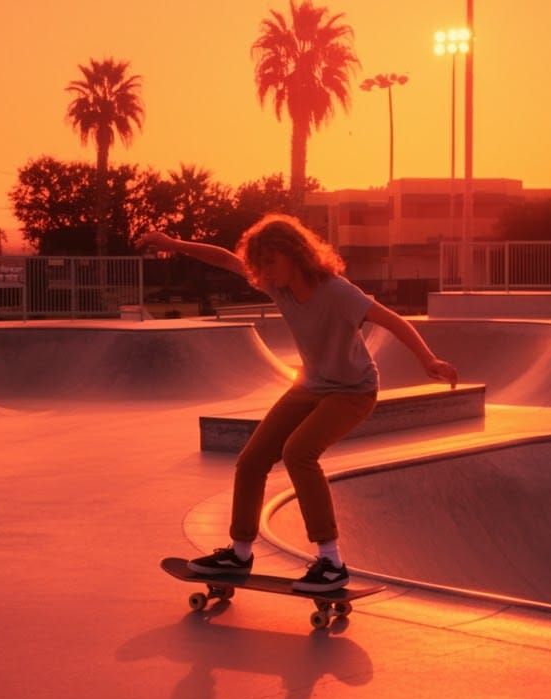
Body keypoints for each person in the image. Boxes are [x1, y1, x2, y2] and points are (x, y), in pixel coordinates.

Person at [138, 214, 457, 593]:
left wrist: (428, 360)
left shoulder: (338, 292)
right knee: (253, 458)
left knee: (299, 453)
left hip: (353, 391)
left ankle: (332, 562)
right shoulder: (280, 287)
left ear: (294, 255)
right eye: (261, 266)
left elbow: (392, 320)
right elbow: (226, 259)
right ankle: (239, 552)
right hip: (309, 386)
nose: (265, 273)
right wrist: (175, 245)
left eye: (271, 263)